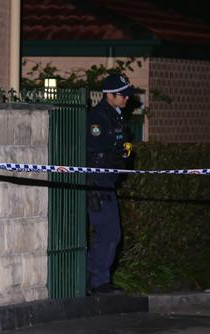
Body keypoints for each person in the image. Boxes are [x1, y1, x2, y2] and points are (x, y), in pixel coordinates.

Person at [86, 73, 134, 295]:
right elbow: (100, 149)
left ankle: (97, 279)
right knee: (108, 232)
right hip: (98, 182)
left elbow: (124, 147)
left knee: (111, 233)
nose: (127, 100)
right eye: (122, 96)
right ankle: (97, 282)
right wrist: (121, 148)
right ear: (110, 95)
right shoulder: (99, 117)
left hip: (108, 181)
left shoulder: (116, 117)